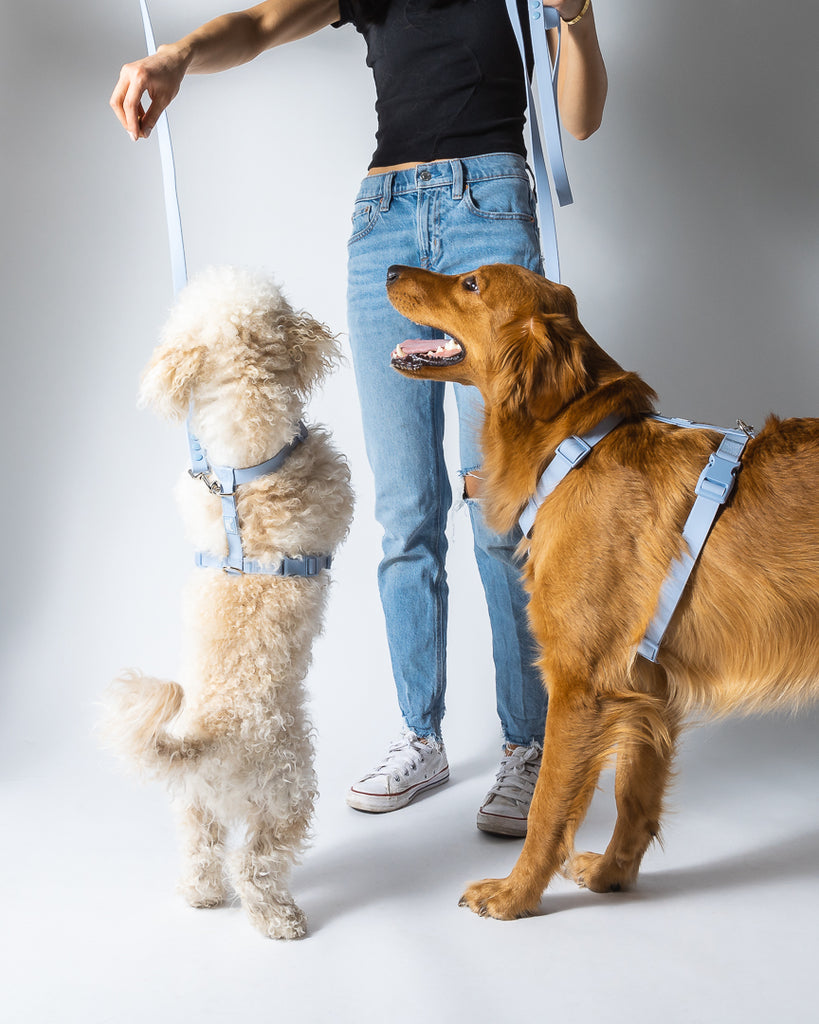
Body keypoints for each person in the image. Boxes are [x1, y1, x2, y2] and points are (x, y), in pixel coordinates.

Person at [111, 0, 607, 836]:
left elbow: (580, 120)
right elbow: (264, 24)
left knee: (501, 504)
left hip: (489, 211)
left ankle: (529, 746)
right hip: (384, 224)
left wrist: (580, 18)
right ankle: (422, 734)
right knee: (405, 510)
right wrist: (179, 58)